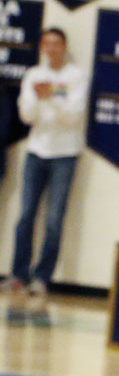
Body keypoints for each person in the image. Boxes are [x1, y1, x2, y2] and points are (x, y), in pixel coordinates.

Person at [0, 28, 88, 297]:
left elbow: (74, 115)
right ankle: (18, 274)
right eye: (47, 44)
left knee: (54, 218)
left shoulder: (76, 76)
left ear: (64, 46)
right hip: (36, 150)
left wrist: (51, 96)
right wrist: (41, 100)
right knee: (25, 215)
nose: (52, 49)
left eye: (56, 44)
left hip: (66, 153)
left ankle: (41, 277)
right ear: (41, 47)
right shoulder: (34, 75)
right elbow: (27, 116)